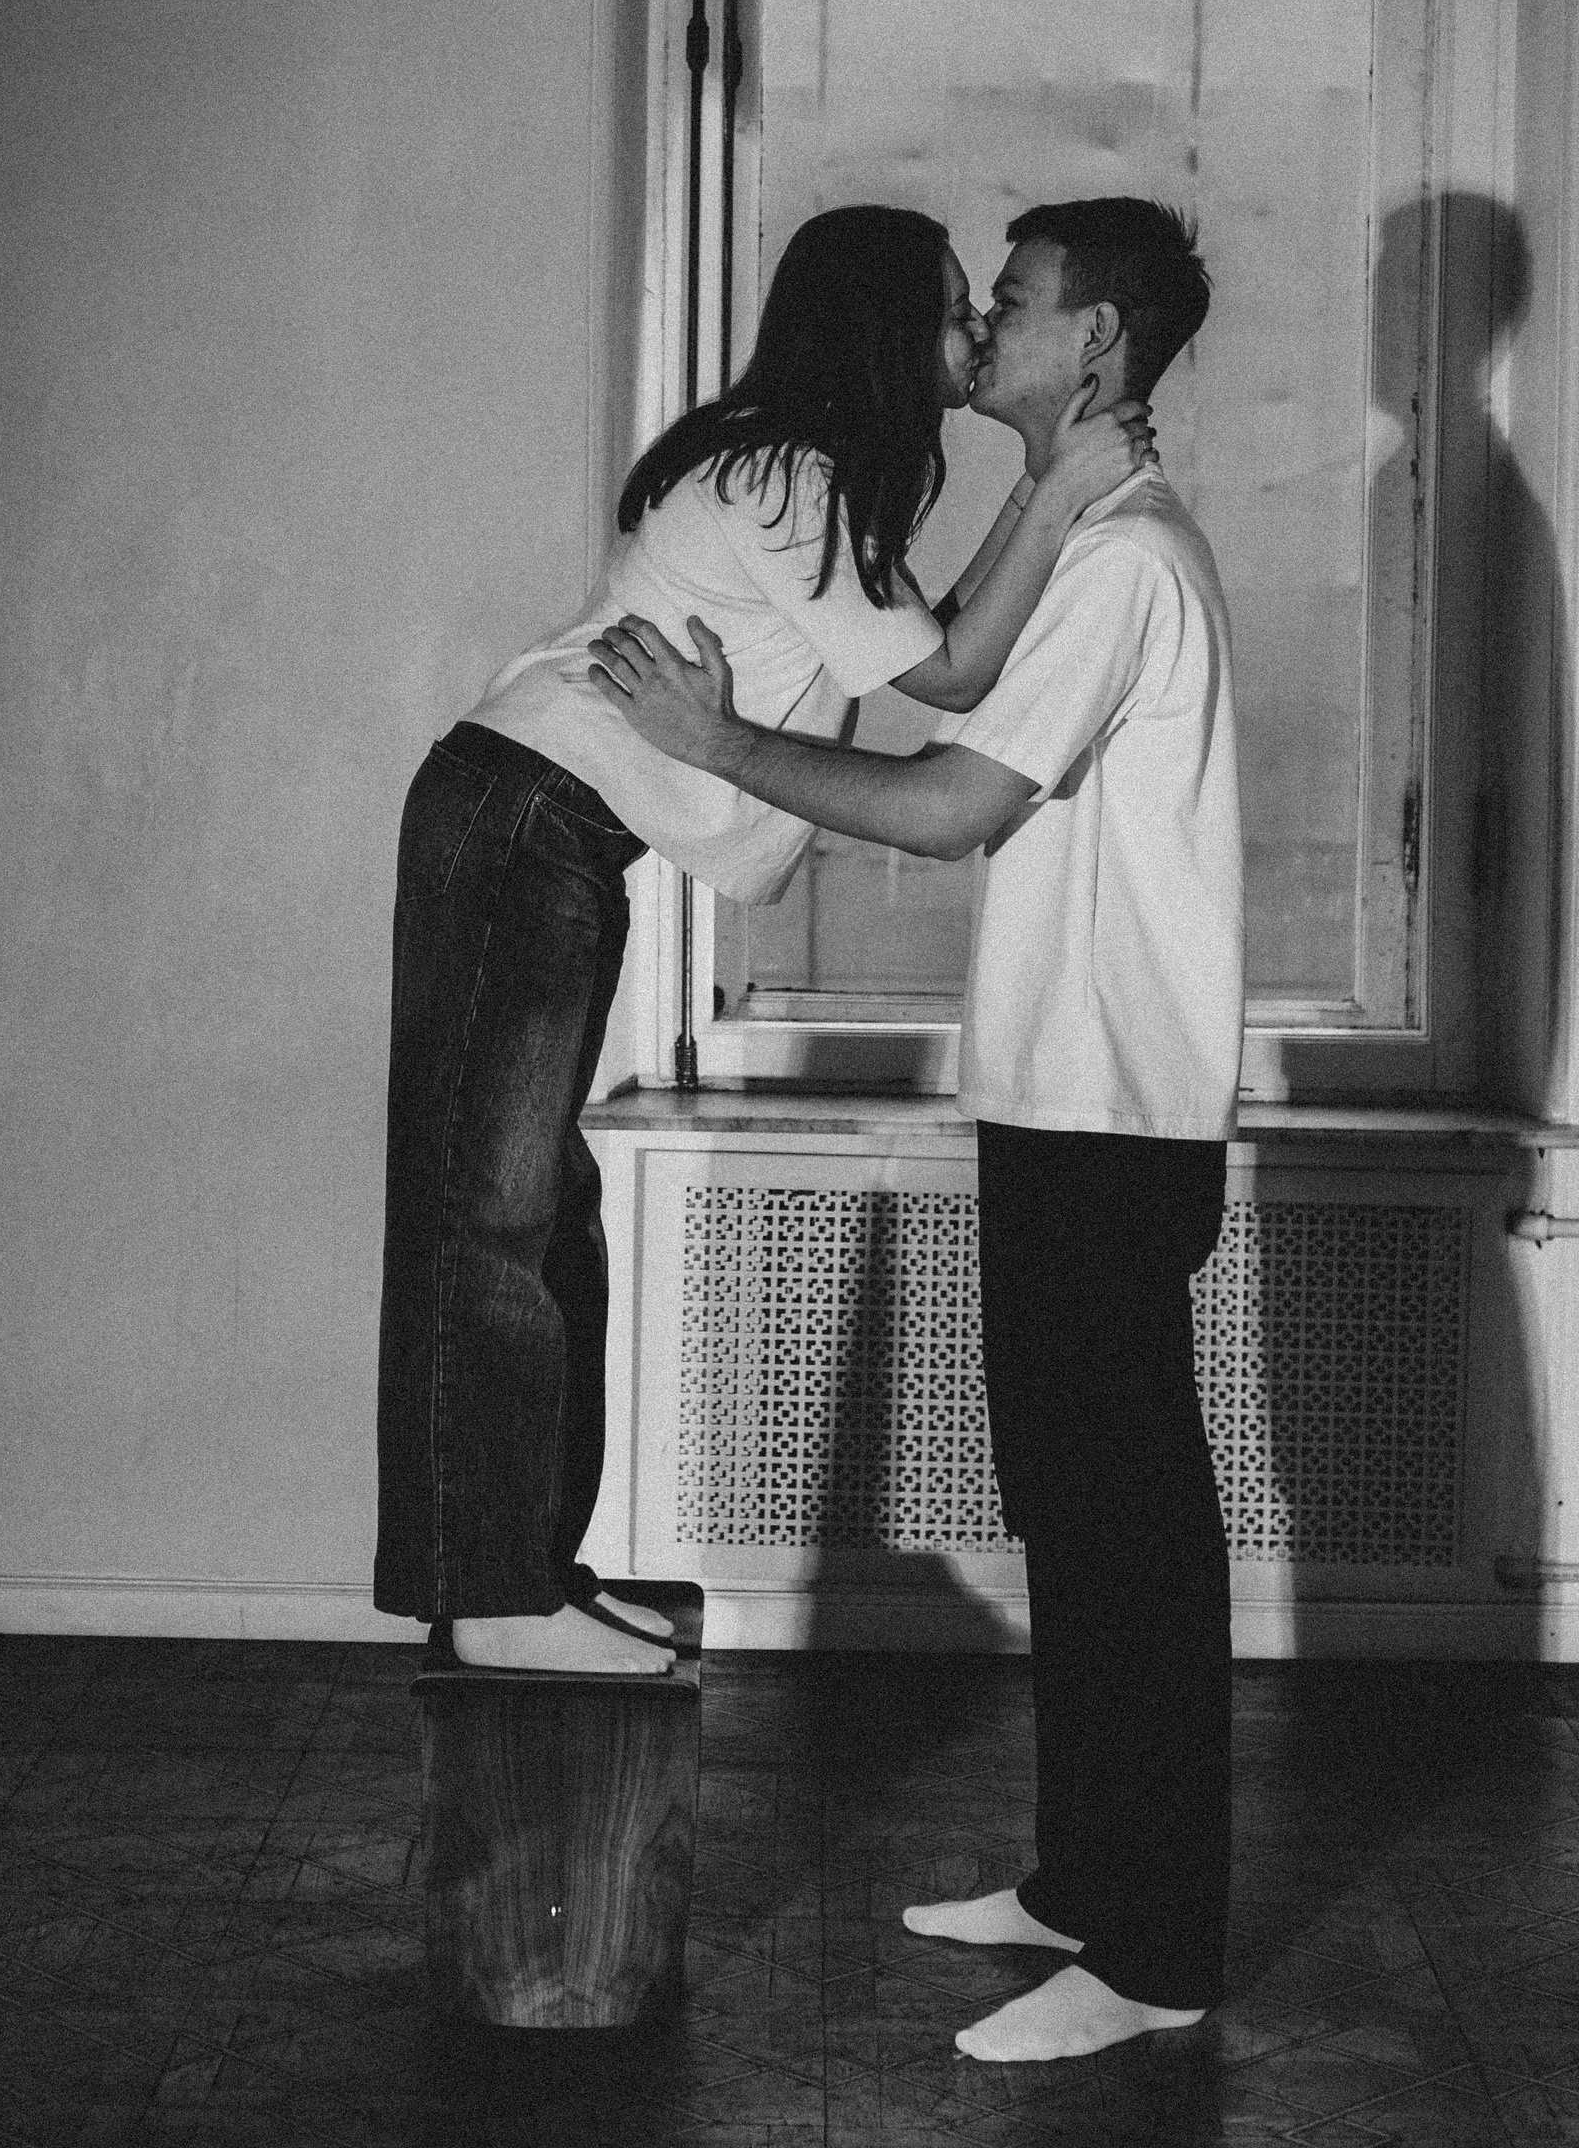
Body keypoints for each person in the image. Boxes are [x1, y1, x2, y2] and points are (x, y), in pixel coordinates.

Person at [591, 197, 1242, 2054]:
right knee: (1074, 1512)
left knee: (1124, 1534)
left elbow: (955, 805)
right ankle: (1087, 1885)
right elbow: (946, 672)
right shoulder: (1085, 541)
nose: (982, 330)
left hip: (1111, 1111)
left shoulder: (1125, 561)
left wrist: (722, 747)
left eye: (1013, 303)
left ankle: (1156, 1961)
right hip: (1061, 1097)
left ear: (1094, 344)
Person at [374, 205, 1154, 1678]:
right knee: (488, 1216)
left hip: (541, 827)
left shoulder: (807, 480)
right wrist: (1055, 492)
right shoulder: (786, 477)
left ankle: (526, 1575)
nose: (972, 333)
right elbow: (953, 674)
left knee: (536, 1212)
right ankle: (490, 1597)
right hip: (522, 820)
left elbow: (935, 639)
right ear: (878, 329)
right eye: (951, 308)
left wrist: (1035, 493)